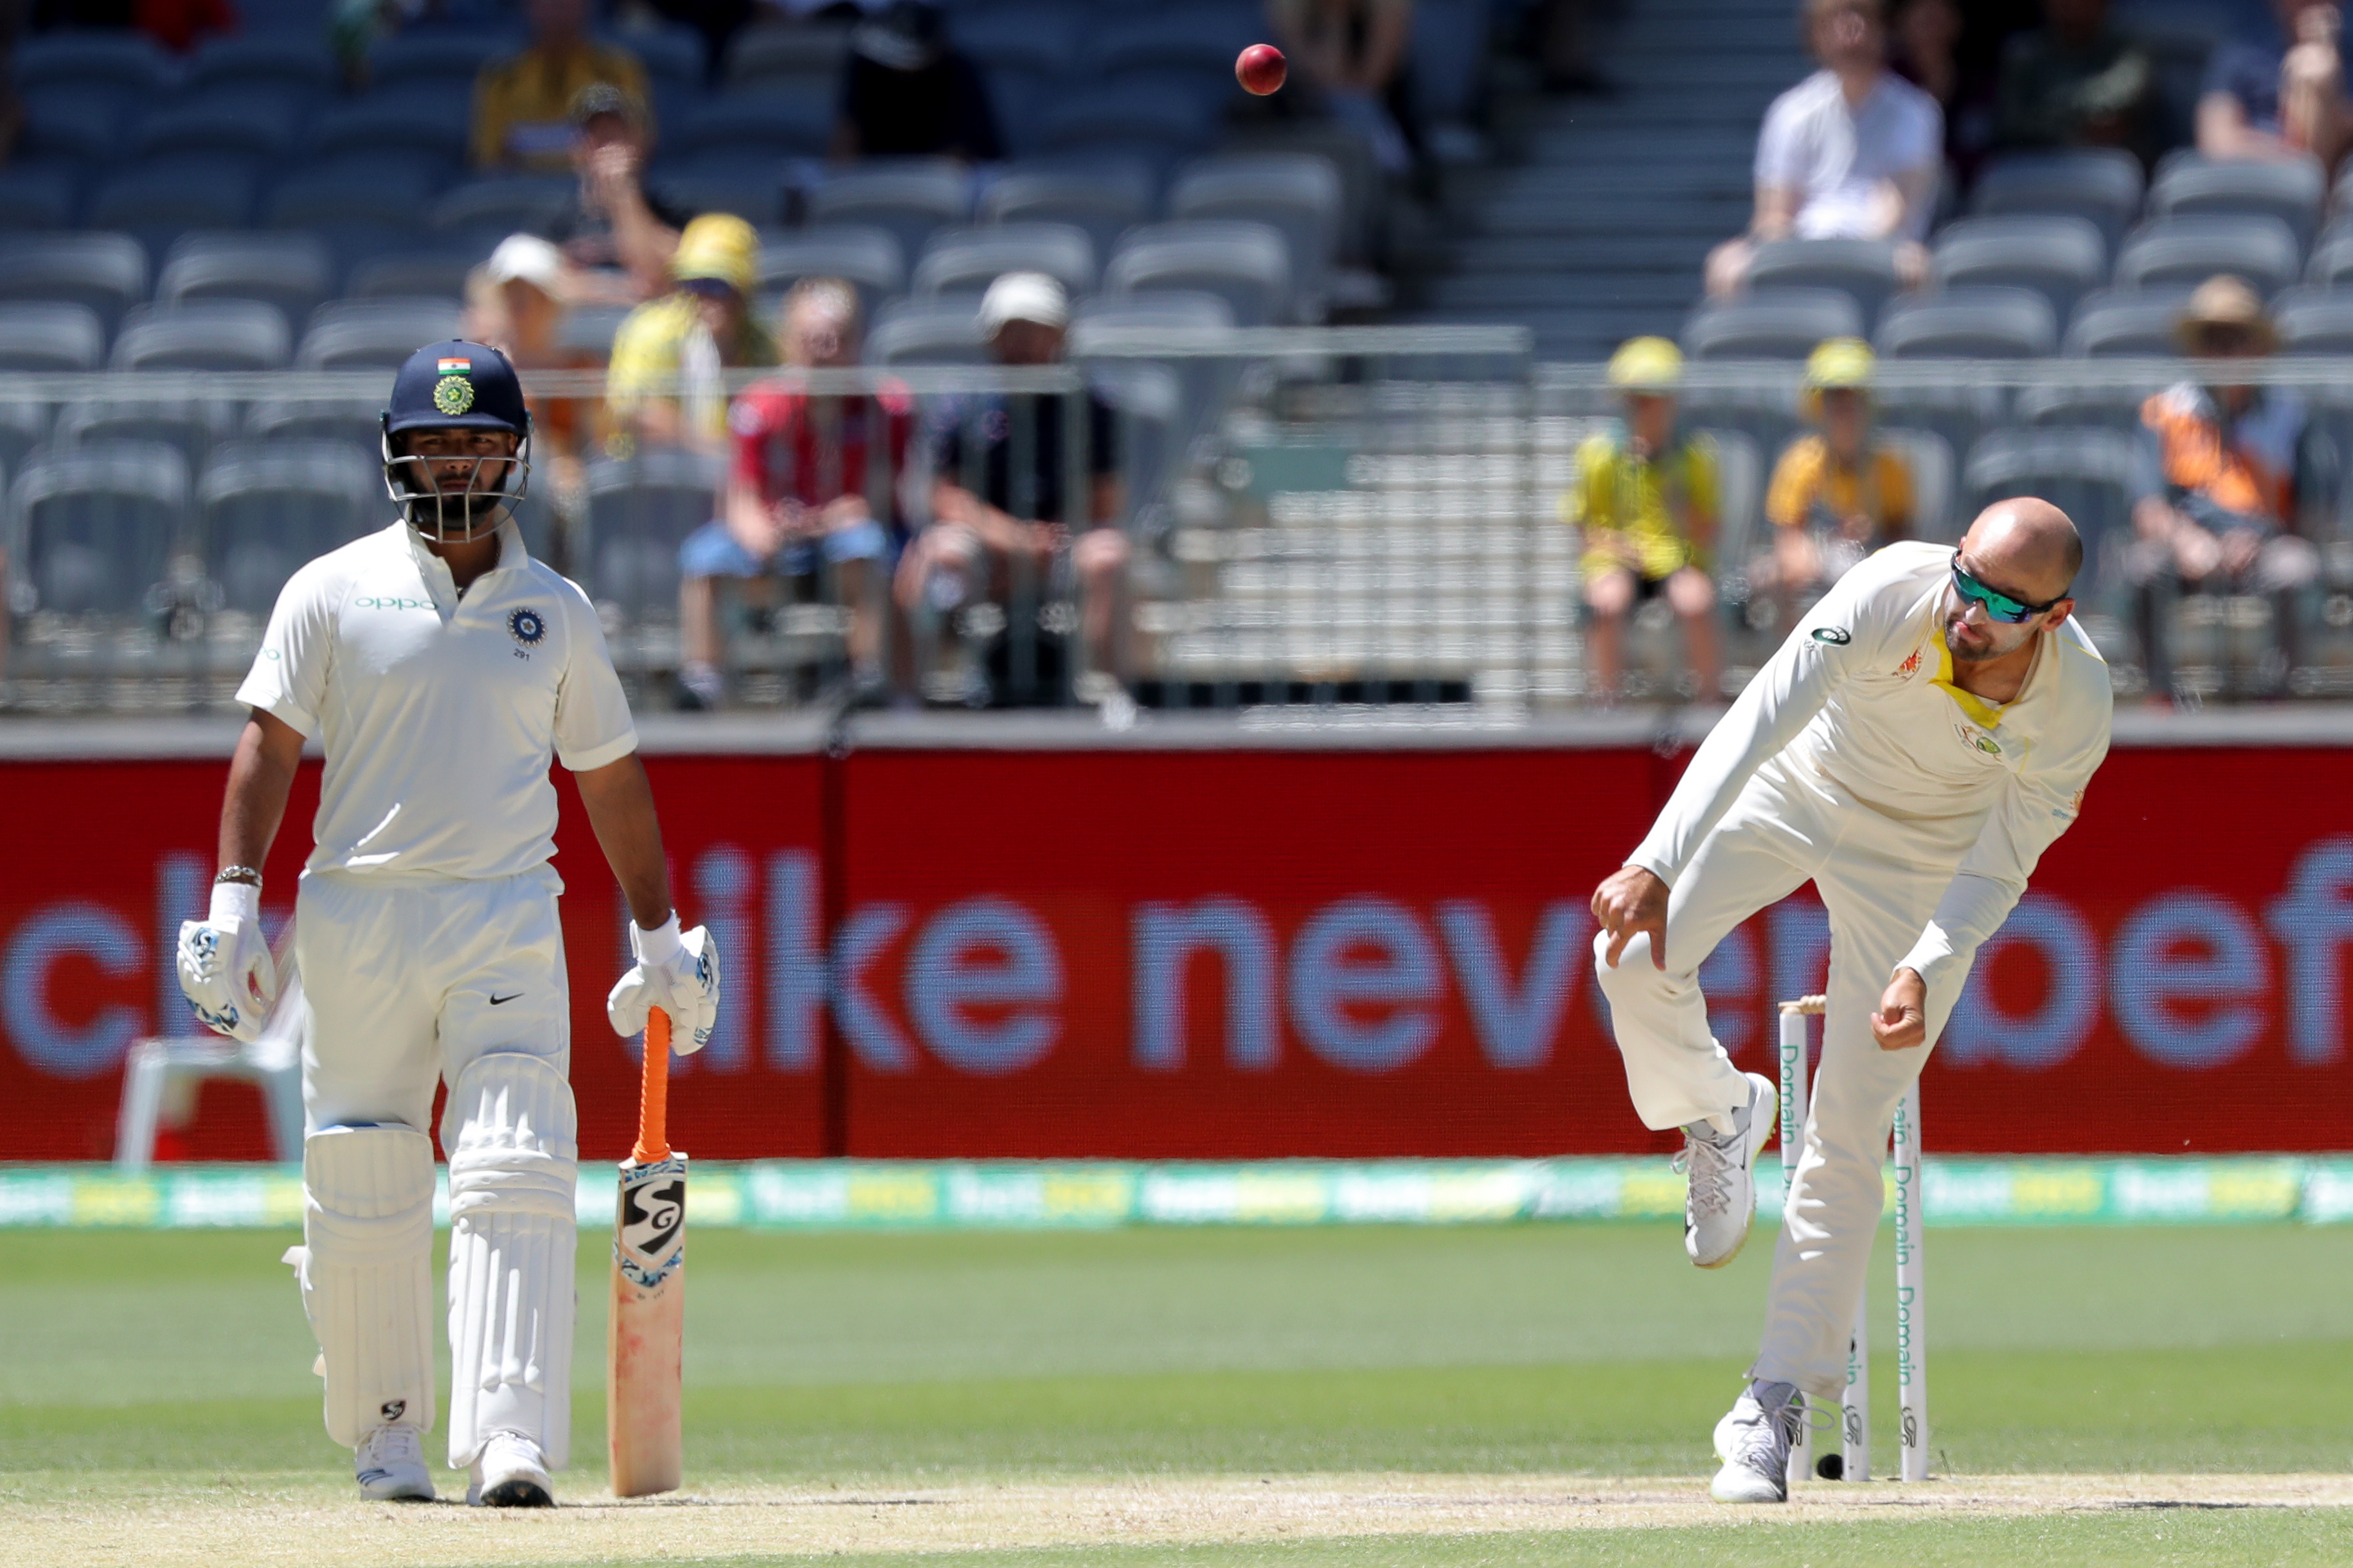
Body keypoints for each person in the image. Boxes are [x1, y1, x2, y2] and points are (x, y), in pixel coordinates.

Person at [172, 340, 722, 1508]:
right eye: (434, 440)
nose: (456, 460)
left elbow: (611, 777)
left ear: (515, 454)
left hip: (507, 912)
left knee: (517, 1160)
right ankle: (386, 1438)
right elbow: (269, 745)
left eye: (477, 440)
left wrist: (659, 933)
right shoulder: (330, 588)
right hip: (356, 913)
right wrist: (233, 896)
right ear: (396, 454)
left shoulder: (556, 611)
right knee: (365, 1175)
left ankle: (510, 1440)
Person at [1588, 500, 2112, 1504]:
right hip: (1804, 787)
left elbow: (2006, 858)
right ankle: (1720, 1110)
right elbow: (1758, 717)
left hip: (1924, 868)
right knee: (1628, 955)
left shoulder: (2076, 700)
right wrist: (1656, 857)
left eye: (2004, 604)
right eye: (1968, 578)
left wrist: (1929, 958)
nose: (1971, 610)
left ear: (2055, 615)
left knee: (1849, 1131)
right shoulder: (1888, 590)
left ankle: (1772, 1403)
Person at [677, 278, 914, 709]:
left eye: (836, 339)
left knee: (865, 546)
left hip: (847, 536)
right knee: (704, 557)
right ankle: (703, 683)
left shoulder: (887, 408)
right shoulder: (757, 408)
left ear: (857, 343)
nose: (823, 351)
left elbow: (877, 500)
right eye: (811, 340)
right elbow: (741, 496)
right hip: (776, 535)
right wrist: (759, 531)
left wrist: (827, 521)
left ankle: (869, 681)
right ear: (788, 342)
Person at [895, 272, 1127, 707]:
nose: (1022, 343)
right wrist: (1012, 539)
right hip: (984, 545)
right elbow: (944, 496)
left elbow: (1105, 499)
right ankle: (911, 700)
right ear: (992, 338)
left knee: (1108, 556)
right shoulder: (961, 403)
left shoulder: (1093, 406)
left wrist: (1048, 542)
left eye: (1034, 330)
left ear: (1059, 335)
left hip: (1063, 546)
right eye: (1011, 330)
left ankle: (1113, 698)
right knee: (935, 555)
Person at [2127, 274, 2327, 701]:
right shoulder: (2164, 411)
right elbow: (2148, 510)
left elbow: (2310, 512)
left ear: (2257, 348)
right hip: (2186, 547)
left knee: (2296, 570)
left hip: (2265, 546)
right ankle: (2159, 698)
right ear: (2196, 349)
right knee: (2140, 570)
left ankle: (2278, 700)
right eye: (2213, 340)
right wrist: (2187, 542)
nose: (2225, 352)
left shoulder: (2291, 415)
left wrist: (2260, 538)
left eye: (2236, 339)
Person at [1705, 0, 1942, 299]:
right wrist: (1792, 249)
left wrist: (1842, 255)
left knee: (1917, 271)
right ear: (1815, 34)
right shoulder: (1791, 111)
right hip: (1802, 242)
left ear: (1883, 30)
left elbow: (1898, 209)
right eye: (1836, 20)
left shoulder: (1916, 111)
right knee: (1725, 266)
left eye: (1863, 17)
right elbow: (1773, 214)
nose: (1851, 31)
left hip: (1884, 247)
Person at [1562, 336, 1722, 706]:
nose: (1646, 410)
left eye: (1654, 399)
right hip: (1617, 560)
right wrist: (1618, 547)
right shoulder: (1598, 456)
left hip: (1675, 558)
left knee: (1696, 601)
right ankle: (1607, 704)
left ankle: (1710, 704)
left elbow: (1709, 532)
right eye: (1637, 400)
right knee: (1607, 601)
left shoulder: (1695, 457)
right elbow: (1584, 530)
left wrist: (1680, 505)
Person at [1755, 339, 1914, 628]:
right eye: (1836, 401)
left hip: (1870, 572)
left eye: (1854, 401)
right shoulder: (1799, 461)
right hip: (1815, 568)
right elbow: (1789, 538)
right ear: (1819, 407)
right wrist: (1814, 557)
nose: (1846, 412)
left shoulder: (1891, 467)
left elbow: (1901, 539)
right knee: (1779, 576)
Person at [465, 234, 595, 566]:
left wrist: (571, 466)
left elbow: (603, 442)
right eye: (511, 292)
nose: (520, 302)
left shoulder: (582, 369)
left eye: (531, 292)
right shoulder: (476, 369)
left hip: (569, 500)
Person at [604, 213, 778, 458]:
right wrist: (710, 451)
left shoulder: (763, 342)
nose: (703, 297)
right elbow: (634, 408)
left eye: (718, 284)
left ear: (744, 290)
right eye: (693, 284)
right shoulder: (649, 331)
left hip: (731, 478)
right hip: (651, 474)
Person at [546, 83, 688, 307]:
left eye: (617, 135)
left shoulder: (672, 210)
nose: (607, 147)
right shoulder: (558, 219)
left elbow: (656, 275)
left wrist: (624, 195)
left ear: (641, 144)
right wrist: (622, 291)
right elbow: (549, 289)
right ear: (577, 149)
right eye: (597, 136)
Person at [472, 0, 652, 174]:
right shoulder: (503, 77)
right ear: (528, 6)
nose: (558, 4)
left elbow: (639, 144)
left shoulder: (618, 69)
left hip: (599, 188)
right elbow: (489, 158)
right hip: (521, 192)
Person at [830, 0, 1002, 164]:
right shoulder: (867, 66)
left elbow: (966, 148)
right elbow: (847, 136)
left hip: (938, 183)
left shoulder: (958, 70)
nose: (898, 66)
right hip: (876, 176)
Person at [2199, 0, 2353, 172]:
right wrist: (2291, 155)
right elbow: (2217, 140)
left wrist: (2324, 84)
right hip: (2259, 176)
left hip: (2336, 179)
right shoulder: (2241, 52)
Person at [1266, 0, 1419, 174]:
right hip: (1307, 112)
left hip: (1380, 111)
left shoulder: (1389, 7)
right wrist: (1333, 18)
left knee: (1357, 108)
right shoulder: (1289, 7)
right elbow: (1317, 76)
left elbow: (1374, 79)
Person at [1992, 0, 2156, 156]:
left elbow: (2124, 98)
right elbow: (2012, 121)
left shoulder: (2127, 51)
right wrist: (2078, 126)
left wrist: (2048, 109)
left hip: (2106, 162)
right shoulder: (2023, 53)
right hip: (2035, 162)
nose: (2073, 4)